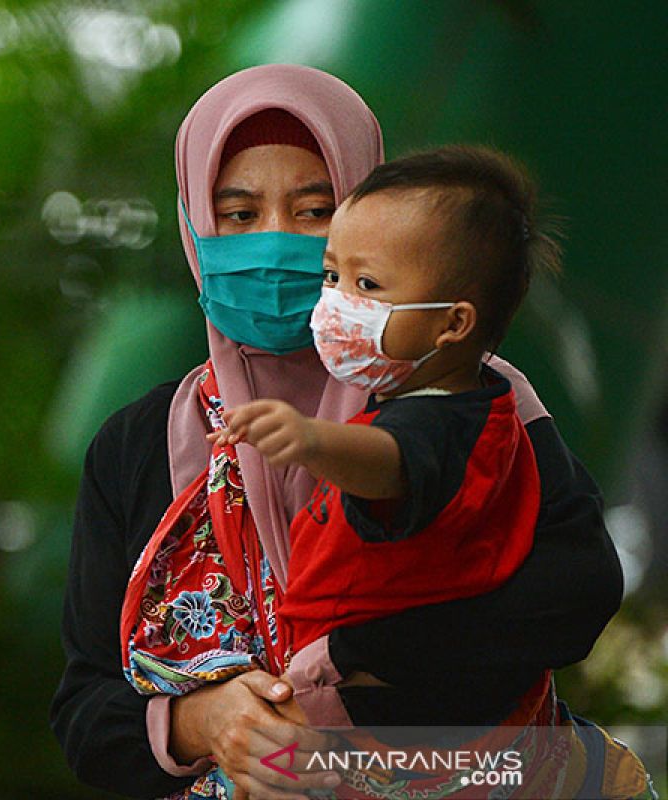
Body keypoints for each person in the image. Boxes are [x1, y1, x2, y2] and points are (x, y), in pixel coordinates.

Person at [50, 65, 637, 800]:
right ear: (194, 224)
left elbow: (574, 596)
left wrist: (348, 667)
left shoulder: (473, 395)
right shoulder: (137, 444)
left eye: (314, 210)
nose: (273, 243)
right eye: (237, 214)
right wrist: (207, 723)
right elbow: (85, 713)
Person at [214, 145, 550, 668]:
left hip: (372, 699)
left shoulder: (452, 418)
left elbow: (391, 461)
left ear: (453, 324)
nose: (337, 302)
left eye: (366, 284)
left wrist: (311, 438)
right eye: (333, 277)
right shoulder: (424, 398)